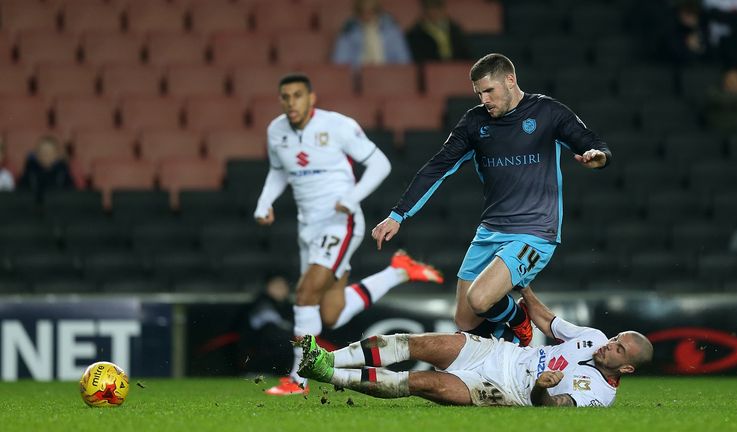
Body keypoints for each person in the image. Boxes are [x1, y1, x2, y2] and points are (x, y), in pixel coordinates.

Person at [371, 53, 612, 346]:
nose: (484, 99)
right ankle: (510, 339)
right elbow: (438, 167)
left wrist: (597, 158)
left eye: (489, 91)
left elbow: (593, 145)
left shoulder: (547, 112)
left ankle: (520, 321)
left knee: (481, 298)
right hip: (490, 230)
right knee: (465, 320)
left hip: (534, 232)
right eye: (478, 93)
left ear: (510, 81)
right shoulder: (474, 122)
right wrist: (398, 215)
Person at [253, 73, 444, 395]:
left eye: (297, 95)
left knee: (304, 294)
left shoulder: (337, 126)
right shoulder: (277, 131)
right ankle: (397, 272)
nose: (291, 102)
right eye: (285, 97)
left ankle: (298, 380)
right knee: (331, 313)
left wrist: (351, 198)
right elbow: (277, 170)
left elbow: (380, 164)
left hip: (340, 223)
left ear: (311, 98)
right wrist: (264, 202)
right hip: (308, 226)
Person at [297, 285, 653, 407]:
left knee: (422, 384)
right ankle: (326, 357)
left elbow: (556, 408)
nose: (610, 346)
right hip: (500, 353)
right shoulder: (593, 337)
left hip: (507, 389)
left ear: (626, 368)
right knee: (416, 344)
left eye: (619, 350)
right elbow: (549, 322)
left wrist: (541, 390)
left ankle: (327, 374)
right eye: (617, 338)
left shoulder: (599, 397)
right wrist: (527, 293)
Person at [331, 0, 412, 67]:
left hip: (389, 79)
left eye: (371, 11)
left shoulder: (393, 33)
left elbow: (404, 63)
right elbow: (339, 65)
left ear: (378, 12)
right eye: (363, 12)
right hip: (357, 79)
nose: (367, 16)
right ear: (357, 13)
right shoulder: (348, 33)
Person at [406, 0, 471, 63]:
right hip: (431, 70)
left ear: (443, 9)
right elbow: (419, 59)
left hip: (458, 69)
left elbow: (466, 55)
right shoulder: (415, 34)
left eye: (437, 7)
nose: (434, 12)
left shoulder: (455, 30)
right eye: (431, 8)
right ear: (425, 10)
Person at [17, 135, 74, 200]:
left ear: (56, 155)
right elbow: (20, 196)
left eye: (49, 152)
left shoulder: (63, 173)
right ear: (37, 154)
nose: (45, 155)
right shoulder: (29, 172)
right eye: (42, 152)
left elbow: (71, 197)